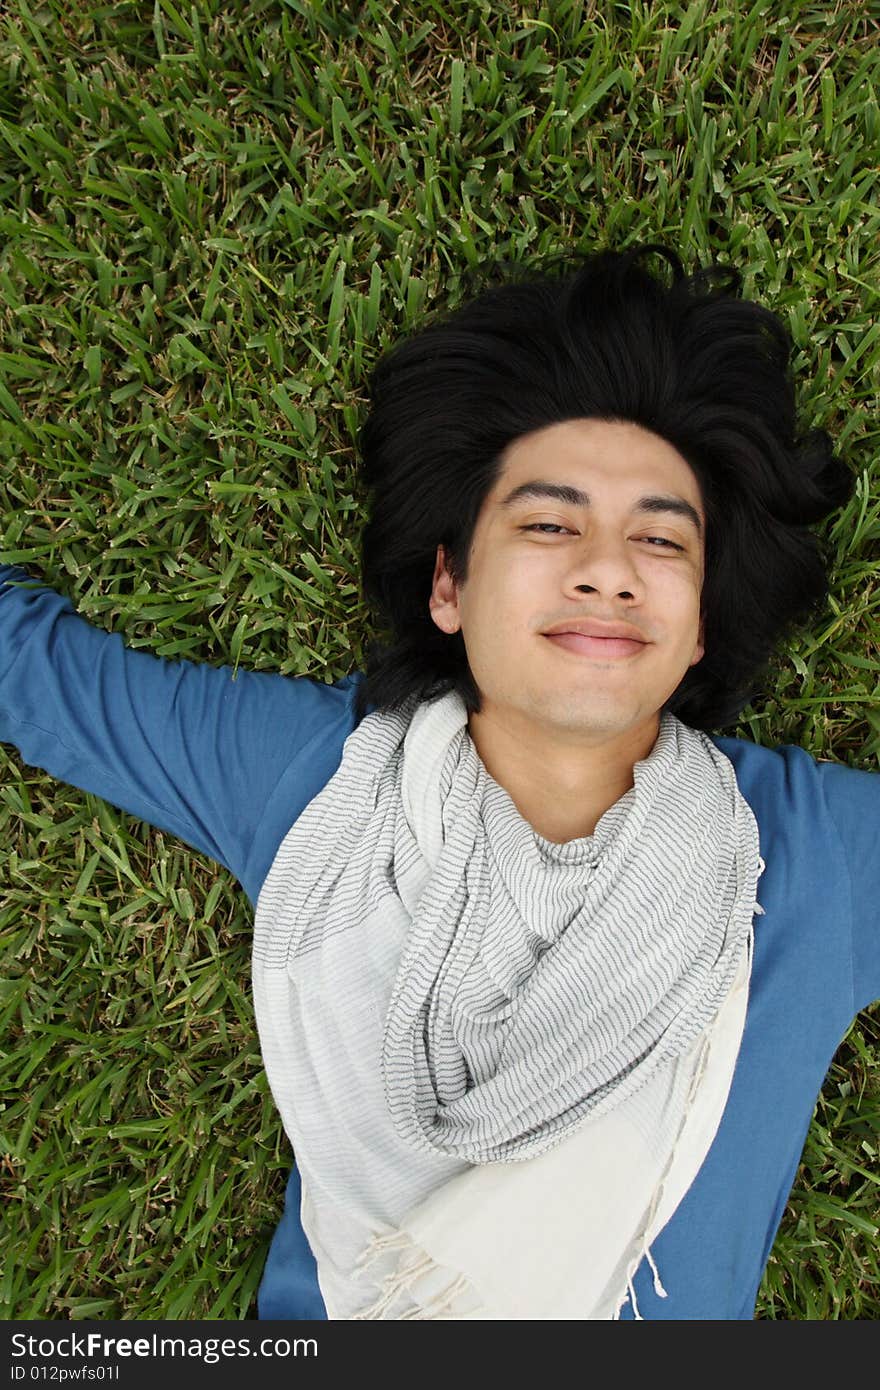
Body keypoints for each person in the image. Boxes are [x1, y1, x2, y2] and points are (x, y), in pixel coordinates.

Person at [1, 243, 877, 1320]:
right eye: (549, 523)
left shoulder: (815, 857)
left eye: (661, 539)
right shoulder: (314, 778)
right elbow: (37, 677)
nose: (606, 568)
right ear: (449, 583)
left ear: (699, 629)